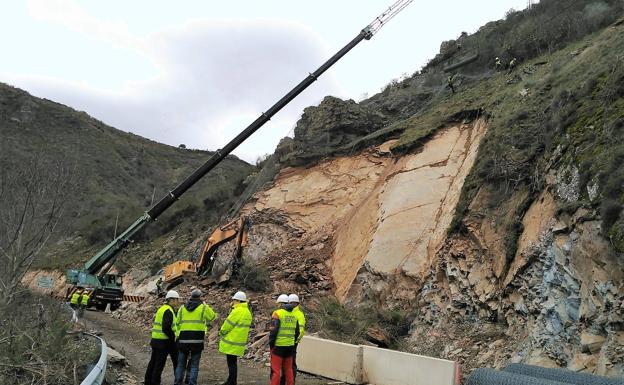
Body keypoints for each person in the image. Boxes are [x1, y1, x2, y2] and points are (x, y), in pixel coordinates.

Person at [174, 289, 217, 385]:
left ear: (191, 296)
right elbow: (212, 317)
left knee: (181, 364)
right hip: (197, 340)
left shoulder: (182, 308)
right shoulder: (203, 307)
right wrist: (206, 305)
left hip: (183, 339)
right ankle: (192, 383)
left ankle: (177, 382)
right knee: (194, 365)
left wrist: (178, 335)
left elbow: (177, 323)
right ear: (200, 296)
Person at [145, 290, 181, 385]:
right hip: (164, 342)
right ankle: (154, 382)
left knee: (153, 363)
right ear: (172, 300)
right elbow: (166, 327)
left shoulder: (162, 309)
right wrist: (172, 337)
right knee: (159, 365)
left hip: (156, 340)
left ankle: (148, 381)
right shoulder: (168, 311)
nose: (178, 302)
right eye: (177, 300)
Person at [219, 291, 253, 385]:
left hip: (231, 341)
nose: (233, 302)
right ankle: (231, 381)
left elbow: (227, 325)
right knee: (233, 363)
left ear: (238, 300)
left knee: (231, 363)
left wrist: (221, 332)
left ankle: (232, 382)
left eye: (234, 300)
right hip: (239, 342)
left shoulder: (237, 311)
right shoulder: (247, 312)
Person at [269, 294, 299, 385]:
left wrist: (271, 344)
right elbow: (297, 332)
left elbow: (273, 331)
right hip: (290, 346)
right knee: (288, 369)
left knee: (276, 370)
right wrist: (292, 343)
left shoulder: (277, 313)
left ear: (281, 304)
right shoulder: (294, 315)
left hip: (278, 346)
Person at [280, 294, 305, 385]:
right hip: (284, 342)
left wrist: (296, 341)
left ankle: (291, 382)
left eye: (291, 302)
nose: (289, 304)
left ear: (296, 303)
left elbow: (301, 330)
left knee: (292, 363)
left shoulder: (299, 314)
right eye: (288, 302)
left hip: (292, 343)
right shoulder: (288, 312)